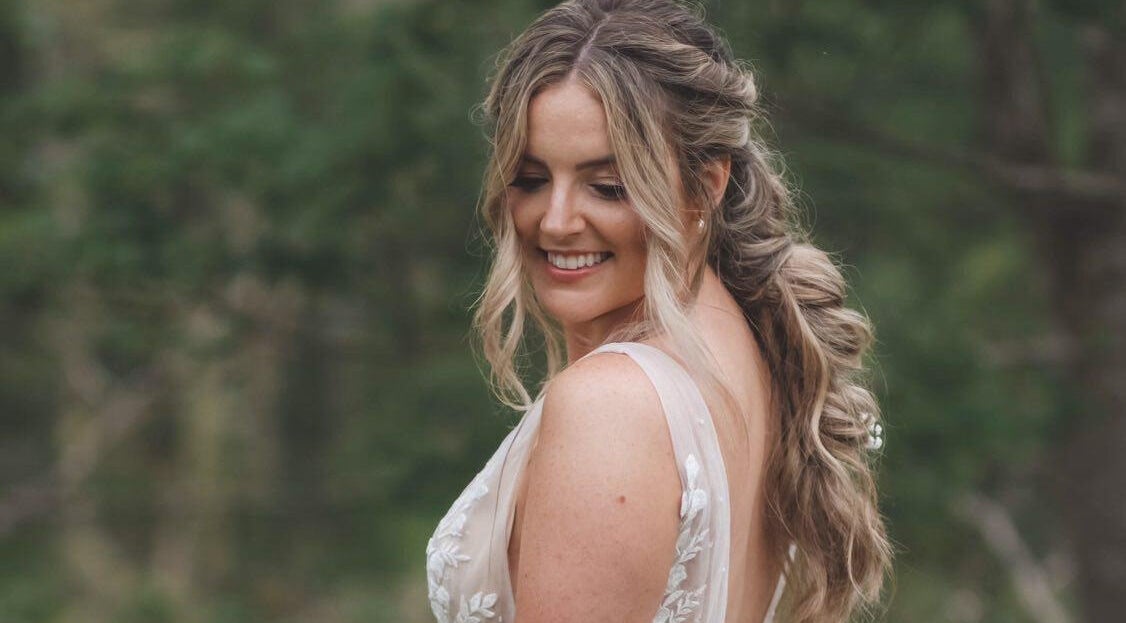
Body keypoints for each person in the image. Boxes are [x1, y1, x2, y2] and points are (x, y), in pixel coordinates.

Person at [425, 1, 892, 621]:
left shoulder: (610, 405)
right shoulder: (745, 348)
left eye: (609, 187)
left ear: (705, 185)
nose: (557, 221)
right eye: (532, 178)